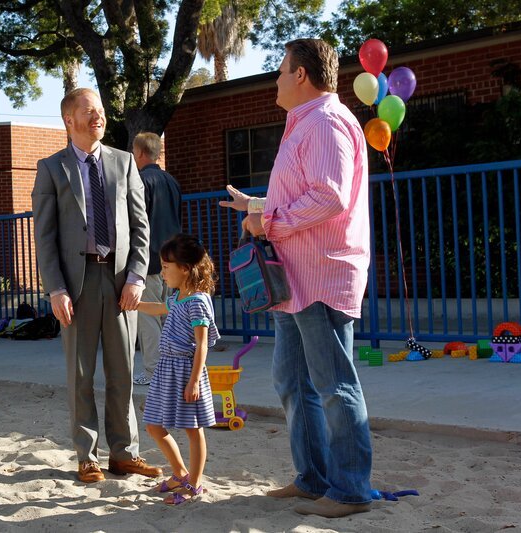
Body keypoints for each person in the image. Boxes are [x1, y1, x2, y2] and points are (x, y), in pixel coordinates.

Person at [220, 39, 373, 518]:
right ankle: (313, 479)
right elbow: (306, 194)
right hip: (298, 279)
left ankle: (349, 491)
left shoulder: (324, 122)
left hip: (321, 276)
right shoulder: (309, 122)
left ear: (302, 75)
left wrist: (267, 222)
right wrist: (258, 206)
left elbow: (328, 198)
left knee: (333, 385)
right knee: (292, 380)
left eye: (281, 71)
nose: (276, 80)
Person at [31, 87, 162, 484]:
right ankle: (86, 456)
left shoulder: (124, 163)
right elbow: (45, 236)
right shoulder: (51, 168)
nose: (98, 117)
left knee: (123, 370)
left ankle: (124, 454)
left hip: (122, 283)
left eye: (101, 111)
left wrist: (138, 276)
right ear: (69, 119)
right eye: (89, 111)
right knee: (81, 374)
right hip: (76, 284)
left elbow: (141, 227)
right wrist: (55, 288)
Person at [138, 234, 218, 505]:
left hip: (186, 370)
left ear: (185, 268)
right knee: (153, 425)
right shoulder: (179, 296)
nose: (162, 273)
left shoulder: (197, 300)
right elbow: (161, 308)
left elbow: (202, 344)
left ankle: (194, 485)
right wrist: (134, 304)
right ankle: (180, 473)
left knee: (193, 429)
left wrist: (194, 381)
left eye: (165, 267)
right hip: (166, 368)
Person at [131, 132, 182, 386]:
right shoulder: (171, 181)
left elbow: (137, 223)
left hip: (149, 259)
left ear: (139, 153)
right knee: (166, 315)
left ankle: (153, 372)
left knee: (148, 316)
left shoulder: (141, 181)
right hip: (173, 259)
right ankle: (170, 370)